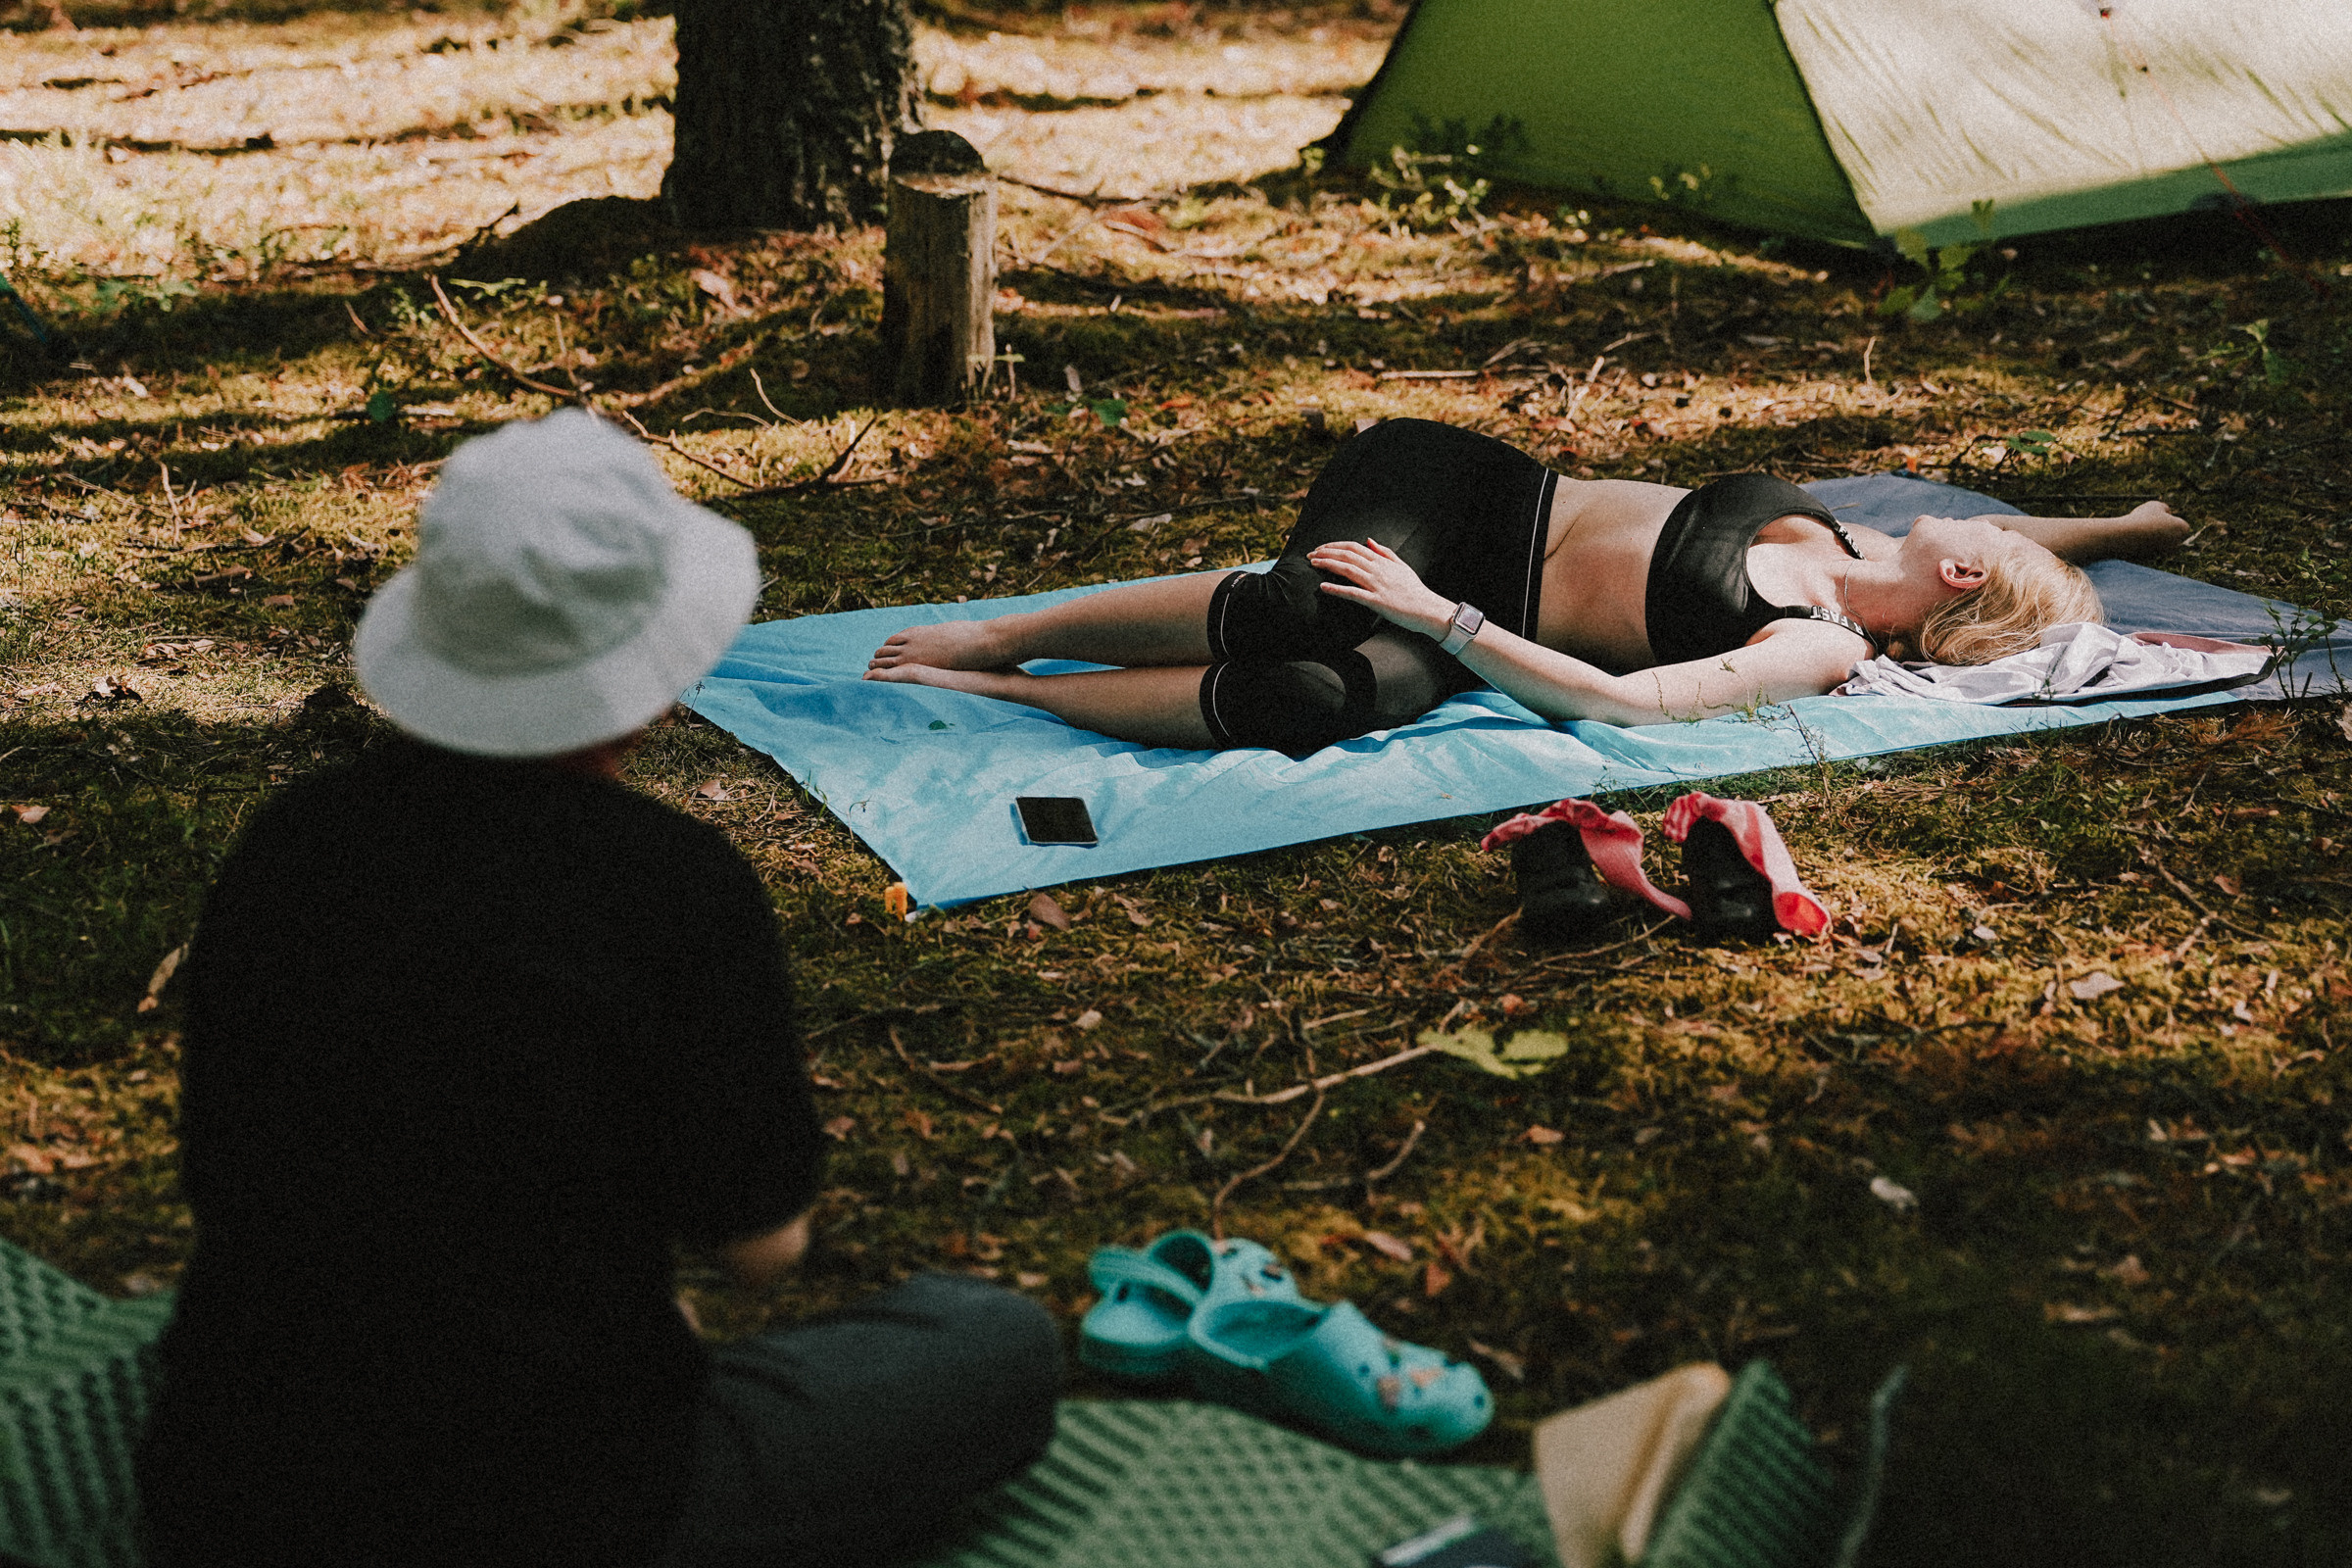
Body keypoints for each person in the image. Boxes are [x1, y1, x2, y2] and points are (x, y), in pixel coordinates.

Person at [137, 411, 1059, 1568]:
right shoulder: (676, 889)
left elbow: (239, 1173)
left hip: (231, 1486)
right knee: (996, 1339)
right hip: (562, 1506)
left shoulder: (291, 840)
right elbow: (762, 1248)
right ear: (649, 681)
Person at [864, 418, 2190, 756]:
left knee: (1310, 694)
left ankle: (1016, 694)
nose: (1959, 510)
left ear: (1959, 576)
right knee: (1295, 607)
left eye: (1975, 533)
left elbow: (1629, 706)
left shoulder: (1823, 643)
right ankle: (1008, 633)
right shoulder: (1861, 540)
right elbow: (2022, 537)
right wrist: (2129, 524)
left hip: (1471, 621)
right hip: (1458, 492)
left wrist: (1443, 620)